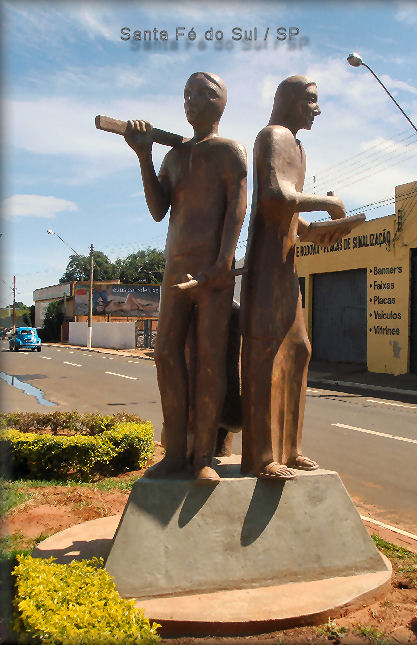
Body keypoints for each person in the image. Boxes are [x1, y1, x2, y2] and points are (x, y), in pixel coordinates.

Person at [124, 72, 247, 483]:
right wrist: (143, 155)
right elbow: (160, 210)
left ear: (220, 103)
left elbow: (237, 212)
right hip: (176, 271)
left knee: (210, 362)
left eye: (201, 94)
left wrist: (222, 264)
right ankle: (176, 452)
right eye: (186, 94)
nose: (190, 101)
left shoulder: (231, 152)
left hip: (213, 275)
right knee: (165, 356)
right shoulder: (173, 157)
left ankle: (205, 459)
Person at [240, 75, 349, 481]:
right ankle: (262, 456)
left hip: (287, 264)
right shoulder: (272, 136)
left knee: (299, 349)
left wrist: (315, 230)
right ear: (288, 100)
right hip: (267, 266)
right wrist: (328, 203)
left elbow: (290, 214)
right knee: (266, 355)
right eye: (310, 100)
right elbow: (272, 196)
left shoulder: (298, 147)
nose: (316, 109)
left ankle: (291, 448)